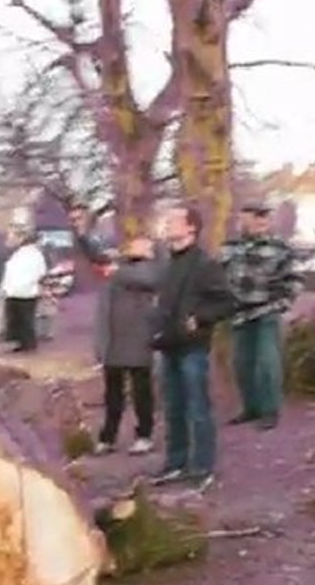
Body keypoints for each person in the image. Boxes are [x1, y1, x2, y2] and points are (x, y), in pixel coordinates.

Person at [151, 205, 234, 492]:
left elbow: (226, 302)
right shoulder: (167, 263)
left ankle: (202, 467)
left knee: (198, 407)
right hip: (167, 344)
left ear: (191, 228)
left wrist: (199, 318)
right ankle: (176, 463)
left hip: (193, 347)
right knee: (173, 408)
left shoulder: (204, 264)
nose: (167, 223)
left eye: (173, 220)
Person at [221, 203, 302, 430]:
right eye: (253, 217)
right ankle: (251, 407)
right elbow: (219, 276)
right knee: (241, 363)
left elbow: (295, 278)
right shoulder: (229, 247)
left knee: (268, 363)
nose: (259, 222)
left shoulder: (280, 248)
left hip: (268, 310)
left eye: (263, 218)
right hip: (239, 312)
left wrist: (284, 302)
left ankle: (270, 410)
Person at [93, 235, 164, 456]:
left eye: (141, 243)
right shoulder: (119, 269)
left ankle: (144, 435)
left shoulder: (151, 269)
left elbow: (148, 280)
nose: (133, 245)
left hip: (139, 339)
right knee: (112, 394)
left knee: (141, 391)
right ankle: (108, 436)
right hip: (113, 340)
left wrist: (116, 270)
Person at [1, 229, 48, 353]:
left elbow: (39, 272)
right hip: (20, 291)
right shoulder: (22, 254)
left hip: (22, 291)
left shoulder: (31, 254)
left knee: (23, 319)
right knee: (21, 319)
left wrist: (7, 286)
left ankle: (27, 343)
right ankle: (23, 343)